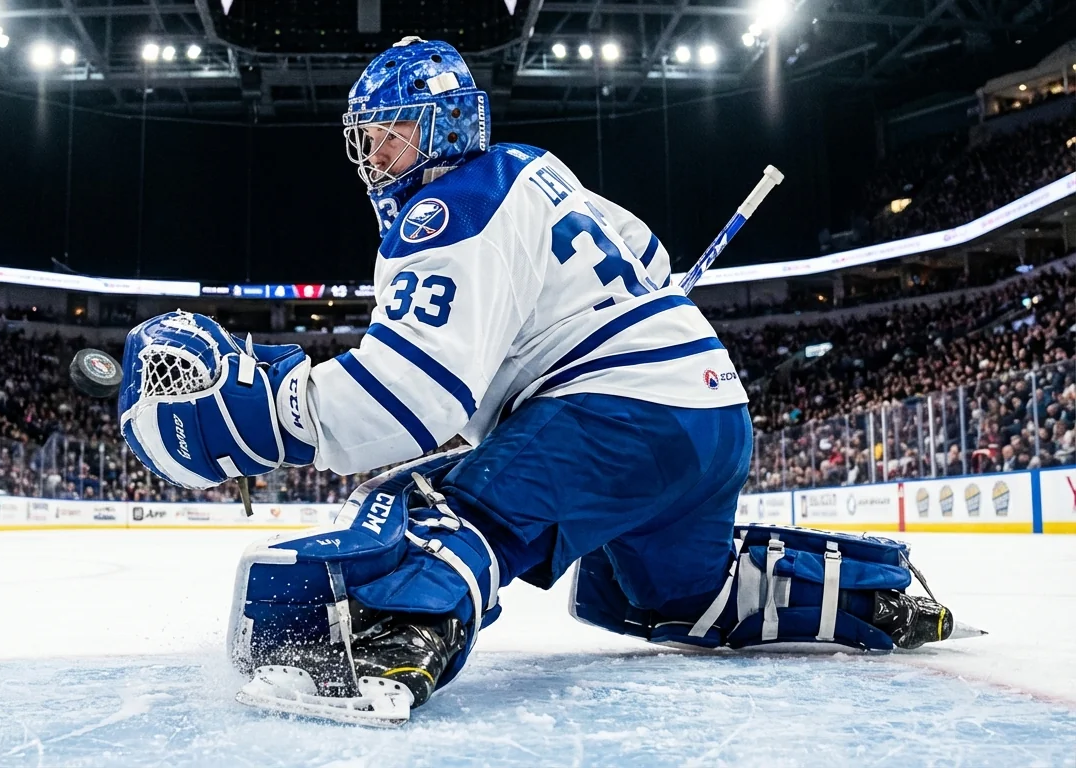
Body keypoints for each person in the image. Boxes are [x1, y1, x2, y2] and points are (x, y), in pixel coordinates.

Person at [117, 38, 962, 725]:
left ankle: (392, 645)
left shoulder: (453, 204)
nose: (375, 156)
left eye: (393, 132)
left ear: (445, 127)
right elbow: (655, 261)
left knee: (444, 509)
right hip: (710, 414)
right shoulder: (542, 173)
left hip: (619, 415)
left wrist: (266, 415)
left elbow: (410, 399)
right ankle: (879, 596)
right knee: (660, 595)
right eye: (368, 137)